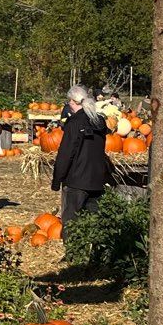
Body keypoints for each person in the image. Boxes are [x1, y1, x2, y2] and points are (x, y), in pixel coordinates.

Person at [51, 85, 111, 223]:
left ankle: (73, 245)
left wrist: (57, 180)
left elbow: (65, 154)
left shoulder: (74, 123)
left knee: (72, 223)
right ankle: (92, 245)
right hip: (96, 180)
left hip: (76, 180)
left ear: (72, 101)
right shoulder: (99, 121)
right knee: (93, 224)